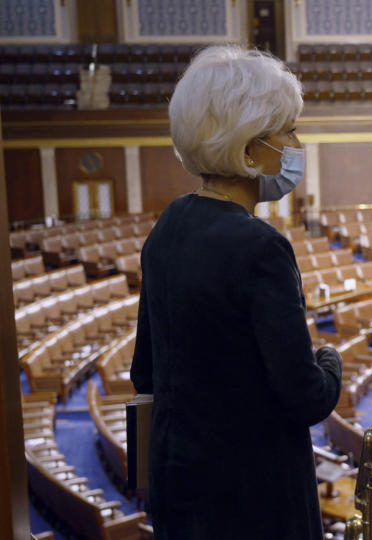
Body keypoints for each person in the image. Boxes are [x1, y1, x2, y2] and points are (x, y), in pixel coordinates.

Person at [130, 45, 342, 540]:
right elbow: (306, 396)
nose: (295, 144)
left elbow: (145, 370)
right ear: (249, 150)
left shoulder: (169, 224)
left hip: (178, 488)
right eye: (287, 131)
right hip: (252, 500)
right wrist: (331, 359)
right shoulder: (260, 246)